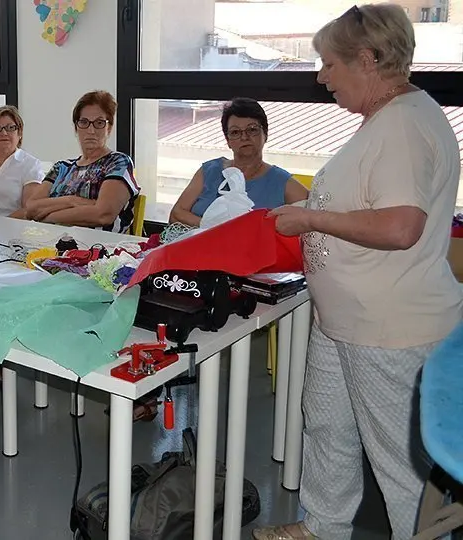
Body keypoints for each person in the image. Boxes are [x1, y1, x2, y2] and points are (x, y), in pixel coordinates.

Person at [255, 5, 463, 539]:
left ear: (368, 60)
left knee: (401, 465)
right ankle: (322, 526)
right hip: (344, 320)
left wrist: (308, 219)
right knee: (328, 429)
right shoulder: (385, 118)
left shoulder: (404, 126)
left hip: (387, 328)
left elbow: (400, 227)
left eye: (328, 63)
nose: (321, 75)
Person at [169, 98, 309, 226]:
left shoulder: (282, 182)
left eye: (252, 130)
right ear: (228, 141)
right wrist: (213, 228)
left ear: (265, 134)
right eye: (235, 132)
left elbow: (315, 215)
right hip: (197, 249)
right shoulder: (209, 171)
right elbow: (176, 214)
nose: (244, 137)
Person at [25, 90, 139, 233]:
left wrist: (46, 216)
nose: (91, 130)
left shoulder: (118, 162)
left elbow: (103, 215)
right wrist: (71, 201)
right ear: (76, 127)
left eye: (99, 123)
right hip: (48, 244)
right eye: (84, 122)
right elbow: (31, 208)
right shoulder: (62, 167)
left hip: (98, 249)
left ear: (109, 128)